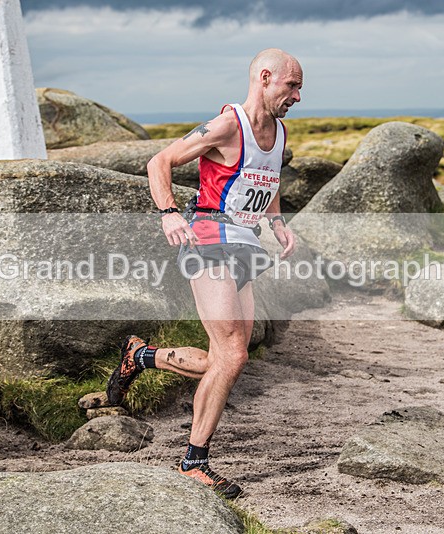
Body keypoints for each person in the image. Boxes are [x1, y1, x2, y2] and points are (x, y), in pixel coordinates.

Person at [106, 48, 302, 499]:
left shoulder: (280, 130)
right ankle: (193, 463)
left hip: (246, 245)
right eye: (291, 86)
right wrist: (169, 213)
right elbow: (160, 162)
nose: (297, 96)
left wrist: (276, 222)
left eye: (299, 88)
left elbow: (265, 182)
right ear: (265, 77)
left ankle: (141, 356)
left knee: (226, 359)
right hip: (209, 237)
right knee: (233, 355)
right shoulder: (227, 124)